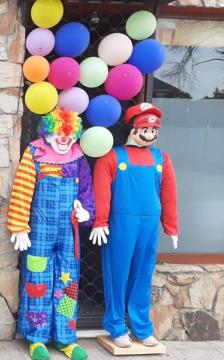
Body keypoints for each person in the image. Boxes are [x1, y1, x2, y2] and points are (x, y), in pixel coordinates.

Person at [7, 108, 95, 360]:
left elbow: (86, 191)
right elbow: (22, 189)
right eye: (58, 132)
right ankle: (37, 338)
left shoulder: (78, 158)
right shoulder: (35, 153)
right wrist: (19, 225)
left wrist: (87, 212)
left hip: (69, 232)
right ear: (47, 133)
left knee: (69, 284)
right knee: (37, 282)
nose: (64, 138)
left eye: (68, 133)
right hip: (40, 232)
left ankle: (65, 338)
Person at [90, 103, 179, 348]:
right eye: (145, 129)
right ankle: (117, 325)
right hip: (121, 223)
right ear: (133, 129)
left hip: (149, 223)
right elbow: (101, 192)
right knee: (117, 273)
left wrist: (171, 226)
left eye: (154, 130)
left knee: (143, 273)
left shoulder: (162, 157)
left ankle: (141, 327)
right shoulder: (111, 156)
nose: (150, 134)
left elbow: (169, 193)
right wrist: (100, 221)